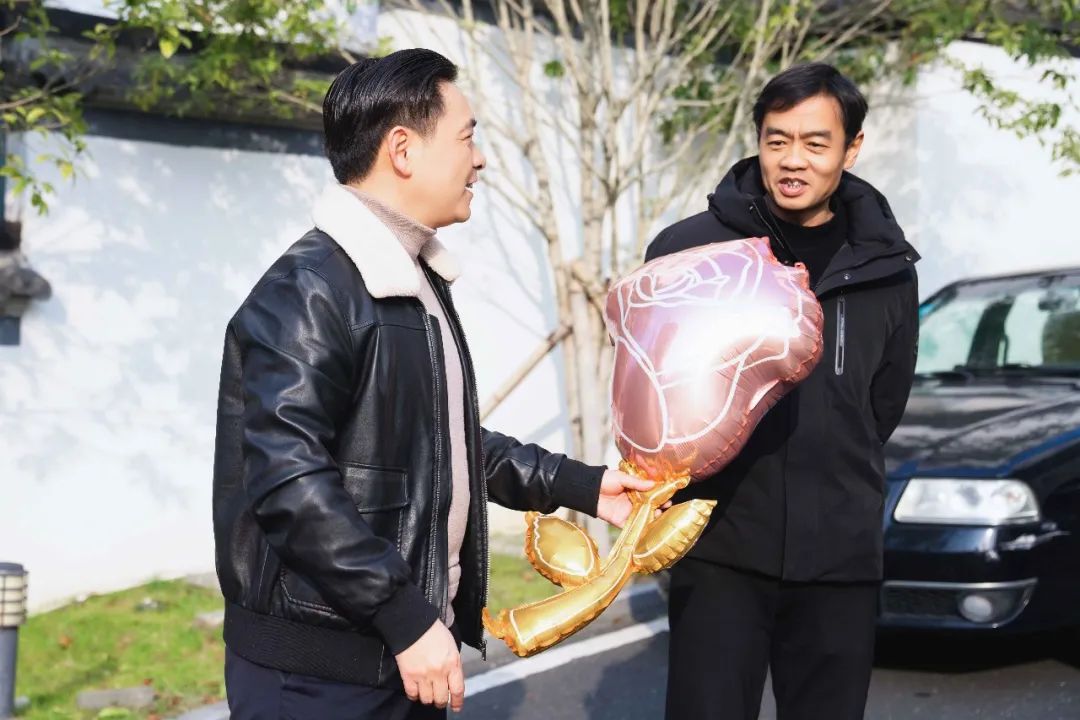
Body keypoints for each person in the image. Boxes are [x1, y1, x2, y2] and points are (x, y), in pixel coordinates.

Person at [212, 48, 652, 720]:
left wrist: (582, 485)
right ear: (403, 150)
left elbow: (439, 443)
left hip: (401, 651)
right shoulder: (308, 290)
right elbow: (289, 482)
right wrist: (404, 616)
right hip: (319, 676)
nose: (480, 160)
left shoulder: (412, 278)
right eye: (467, 137)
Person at [647, 62, 921, 720]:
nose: (793, 160)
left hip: (840, 555)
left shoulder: (887, 266)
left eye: (815, 143)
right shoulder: (691, 250)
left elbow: (883, 404)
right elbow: (651, 388)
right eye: (778, 140)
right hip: (719, 544)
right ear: (759, 142)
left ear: (852, 148)